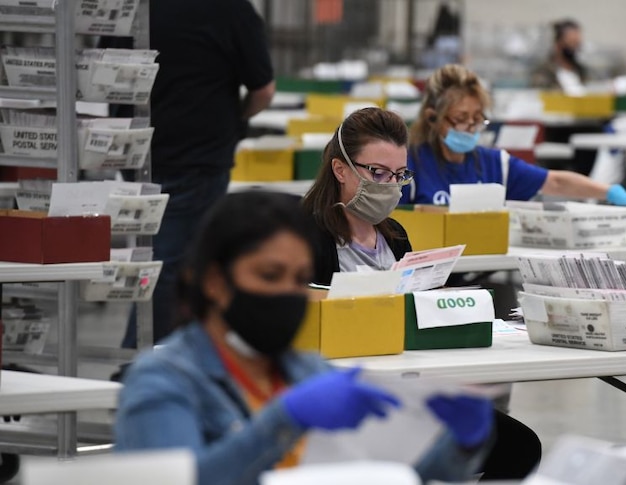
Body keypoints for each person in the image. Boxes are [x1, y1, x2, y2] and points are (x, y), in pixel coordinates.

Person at [114, 191, 495, 485]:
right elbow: (182, 480)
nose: (287, 292)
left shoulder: (304, 368)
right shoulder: (164, 380)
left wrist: (460, 444)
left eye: (299, 280)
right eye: (269, 275)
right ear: (214, 282)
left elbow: (387, 473)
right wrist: (285, 419)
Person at [302, 107, 543, 480]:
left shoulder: (394, 235)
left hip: (408, 385)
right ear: (340, 169)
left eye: (399, 175)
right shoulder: (305, 234)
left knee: (519, 447)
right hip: (347, 393)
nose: (390, 184)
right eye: (378, 173)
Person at [112, 0, 276, 349]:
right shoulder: (231, 10)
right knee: (171, 264)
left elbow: (107, 72)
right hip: (200, 155)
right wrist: (237, 120)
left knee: (159, 258)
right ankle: (137, 361)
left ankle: (154, 356)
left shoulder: (134, 7)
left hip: (134, 148)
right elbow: (263, 90)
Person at [402, 64, 626, 207]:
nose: (470, 127)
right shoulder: (410, 166)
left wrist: (608, 191)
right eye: (460, 118)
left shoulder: (494, 165)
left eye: (477, 118)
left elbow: (555, 182)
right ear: (433, 118)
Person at [530, 19, 588, 95]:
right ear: (558, 43)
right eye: (571, 42)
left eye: (577, 43)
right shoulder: (544, 73)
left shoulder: (582, 72)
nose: (575, 47)